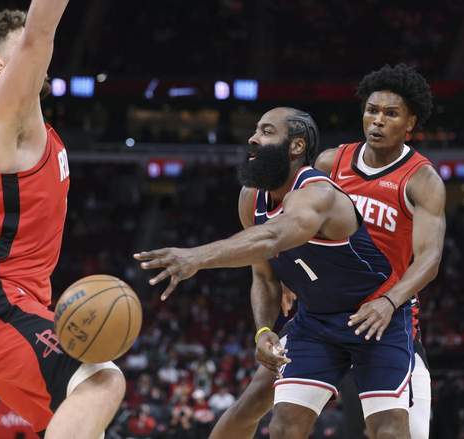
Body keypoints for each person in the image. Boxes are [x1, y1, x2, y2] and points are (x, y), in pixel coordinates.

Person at [137, 107, 414, 438]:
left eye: (267, 132)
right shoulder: (250, 198)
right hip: (317, 321)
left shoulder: (318, 194)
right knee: (275, 421)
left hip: (375, 318)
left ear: (296, 146)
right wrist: (264, 330)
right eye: (256, 130)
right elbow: (265, 277)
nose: (253, 138)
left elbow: (272, 238)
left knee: (387, 431)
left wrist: (196, 257)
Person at [210, 63, 445, 439]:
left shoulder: (421, 179)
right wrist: (288, 274)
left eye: (390, 113)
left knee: (403, 433)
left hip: (381, 317)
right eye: (372, 110)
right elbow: (295, 221)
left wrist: (389, 302)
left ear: (410, 123)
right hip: (323, 314)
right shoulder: (330, 162)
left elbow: (429, 259)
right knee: (254, 401)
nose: (377, 120)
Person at [0, 4, 124, 438]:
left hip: (11, 304)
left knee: (81, 419)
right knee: (102, 381)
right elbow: (40, 32)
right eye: (20, 44)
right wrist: (37, 31)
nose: (43, 56)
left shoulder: (27, 126)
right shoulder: (3, 114)